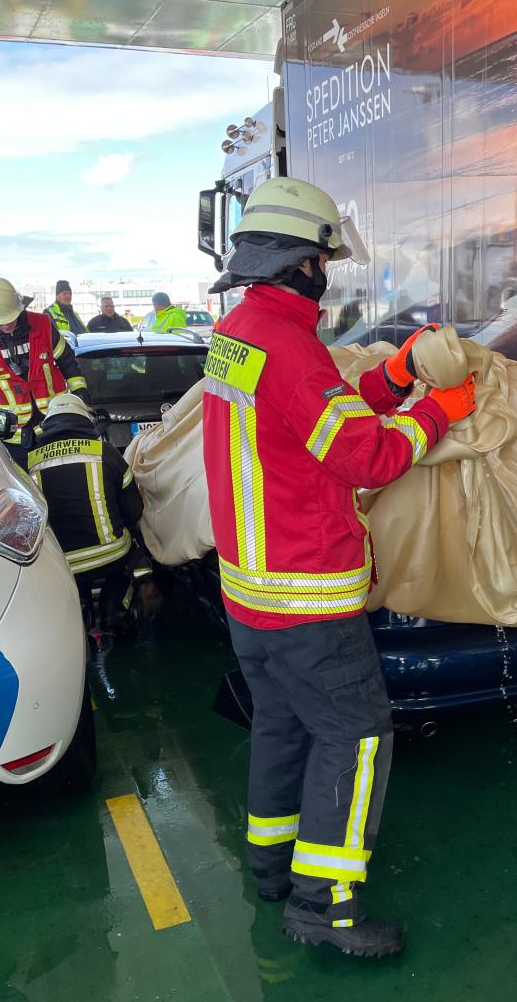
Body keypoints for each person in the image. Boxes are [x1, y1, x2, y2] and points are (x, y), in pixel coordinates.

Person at [202, 176, 476, 958]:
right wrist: (434, 411)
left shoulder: (240, 333)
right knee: (356, 736)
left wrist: (391, 381)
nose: (330, 269)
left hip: (251, 599)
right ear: (301, 264)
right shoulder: (288, 345)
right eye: (325, 256)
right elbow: (365, 455)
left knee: (283, 728)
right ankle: (324, 908)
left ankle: (272, 868)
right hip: (307, 599)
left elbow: (310, 419)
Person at [28, 393, 149, 632]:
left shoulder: (30, 462)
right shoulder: (106, 452)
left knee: (76, 581)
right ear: (85, 419)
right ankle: (114, 607)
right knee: (136, 556)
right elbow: (134, 510)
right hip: (110, 556)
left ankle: (79, 610)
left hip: (61, 564)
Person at [0, 277, 91, 465]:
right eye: (0, 321)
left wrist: (81, 394)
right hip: (14, 439)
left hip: (54, 424)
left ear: (20, 307)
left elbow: (68, 362)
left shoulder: (43, 325)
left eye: (10, 319)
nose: (6, 325)